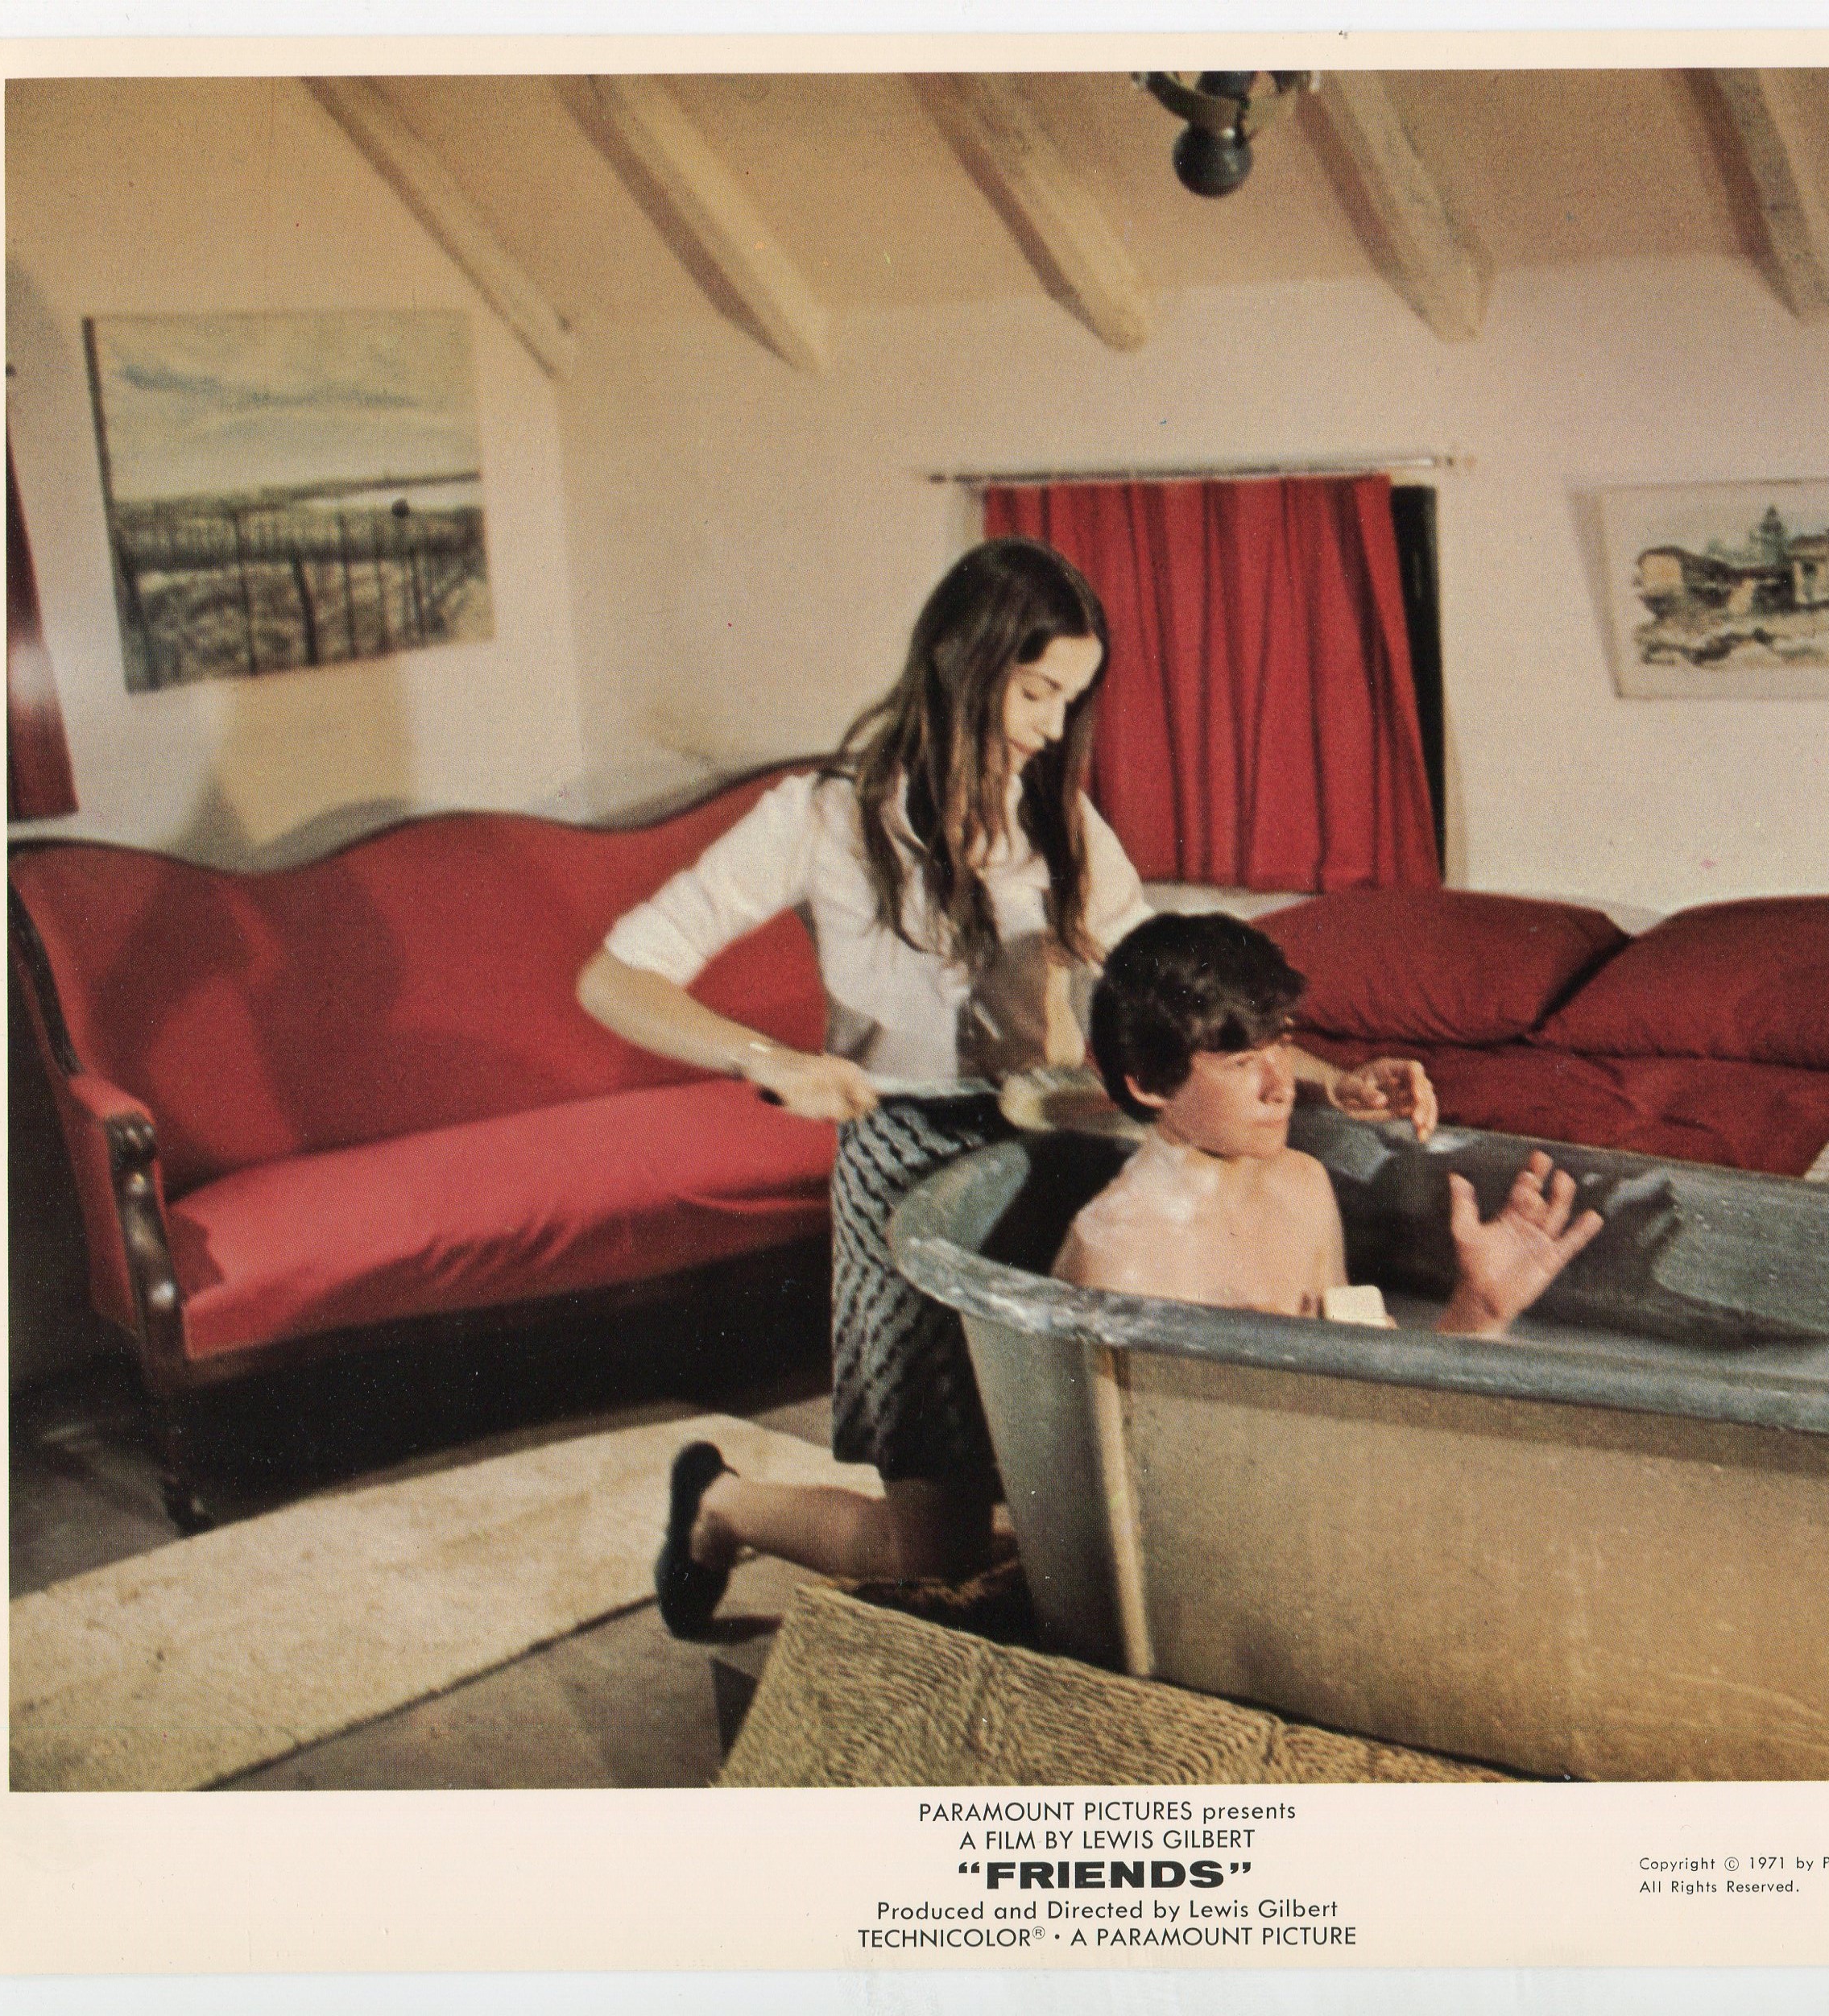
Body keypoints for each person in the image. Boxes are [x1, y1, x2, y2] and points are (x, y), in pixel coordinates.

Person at [575, 538, 1438, 1634]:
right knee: (930, 1552)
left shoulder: (1059, 823)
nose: (1050, 725)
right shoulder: (821, 818)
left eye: (1069, 699)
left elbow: (1162, 986)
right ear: (961, 662)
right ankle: (721, 1505)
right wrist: (768, 1058)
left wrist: (1330, 1080)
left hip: (1045, 1146)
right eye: (1035, 692)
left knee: (1079, 1505)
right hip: (905, 1166)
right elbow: (616, 976)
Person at [1055, 912, 1604, 1335]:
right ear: (1149, 1084)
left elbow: (1360, 1411)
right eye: (1241, 1063)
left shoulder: (1302, 1186)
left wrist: (1477, 1312)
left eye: (1281, 1044)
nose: (1281, 1085)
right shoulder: (1115, 1258)